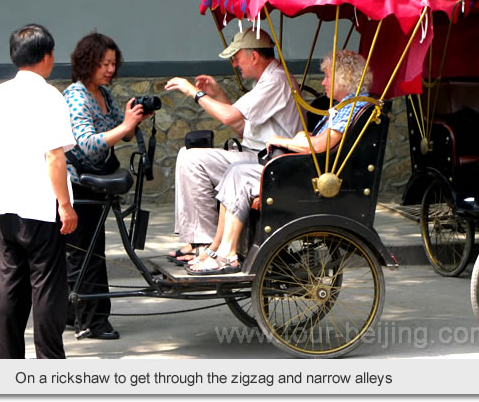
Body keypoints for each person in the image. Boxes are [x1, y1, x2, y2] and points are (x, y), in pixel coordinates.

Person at [187, 50, 373, 274]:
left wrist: (285, 140)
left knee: (239, 174)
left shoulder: (351, 107)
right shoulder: (345, 106)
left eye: (327, 76)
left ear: (345, 77)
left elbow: (320, 145)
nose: (323, 82)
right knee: (236, 170)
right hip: (308, 167)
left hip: (310, 176)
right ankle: (217, 247)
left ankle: (227, 253)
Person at [164, 27, 303, 264]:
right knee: (188, 155)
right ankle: (200, 240)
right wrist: (217, 94)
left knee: (192, 159)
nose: (235, 64)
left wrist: (194, 93)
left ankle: (204, 243)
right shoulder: (268, 79)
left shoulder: (276, 81)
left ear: (254, 56)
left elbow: (229, 117)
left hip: (271, 163)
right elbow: (241, 126)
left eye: (237, 58)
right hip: (256, 155)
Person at [0, 23, 78, 358]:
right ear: (47, 56)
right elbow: (55, 156)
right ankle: (49, 362)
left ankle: (8, 361)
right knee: (47, 285)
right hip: (41, 204)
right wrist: (65, 206)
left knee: (10, 283)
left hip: (7, 203)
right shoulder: (49, 96)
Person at [64, 30, 152, 340]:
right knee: (84, 252)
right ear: (88, 62)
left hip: (96, 181)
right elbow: (86, 144)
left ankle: (72, 315)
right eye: (104, 63)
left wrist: (134, 120)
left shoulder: (103, 94)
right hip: (79, 182)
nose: (110, 70)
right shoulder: (76, 95)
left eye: (114, 63)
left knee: (87, 250)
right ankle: (92, 321)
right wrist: (125, 126)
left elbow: (121, 132)